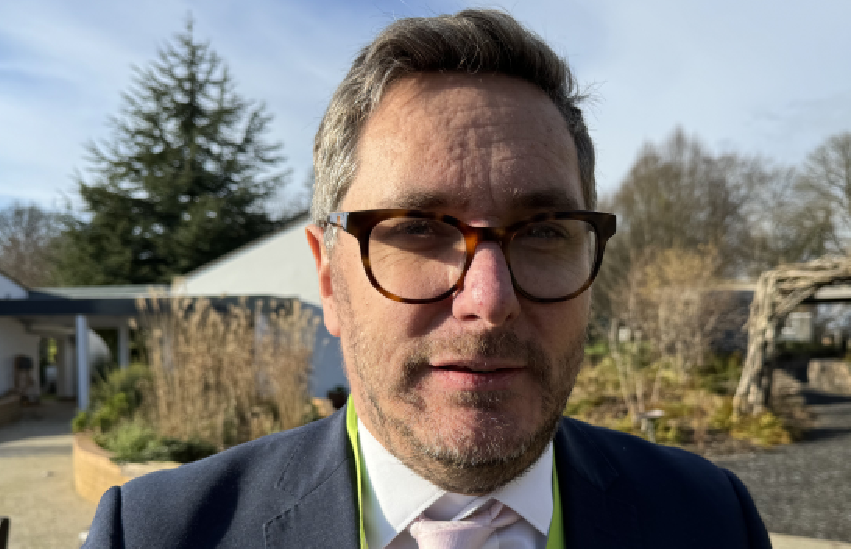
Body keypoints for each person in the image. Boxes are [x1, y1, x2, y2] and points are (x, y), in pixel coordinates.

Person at [85, 9, 772, 548]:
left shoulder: (712, 519)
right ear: (329, 280)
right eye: (418, 228)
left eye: (542, 232)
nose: (490, 300)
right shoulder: (155, 534)